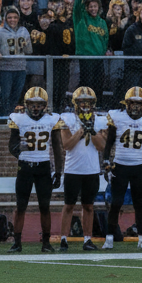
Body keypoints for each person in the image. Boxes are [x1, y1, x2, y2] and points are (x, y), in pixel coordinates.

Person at [8, 86, 64, 253]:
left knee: (45, 206)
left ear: (45, 105)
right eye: (32, 104)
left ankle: (46, 243)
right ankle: (17, 242)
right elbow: (11, 145)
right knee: (21, 206)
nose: (35, 108)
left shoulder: (52, 120)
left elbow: (57, 147)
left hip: (43, 167)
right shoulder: (18, 119)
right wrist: (19, 150)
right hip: (25, 166)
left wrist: (59, 171)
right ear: (26, 104)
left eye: (39, 105)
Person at [102, 87, 142, 250]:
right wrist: (106, 162)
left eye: (139, 104)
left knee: (139, 204)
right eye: (132, 103)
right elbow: (109, 142)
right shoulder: (117, 117)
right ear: (126, 103)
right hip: (120, 165)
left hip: (139, 166)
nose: (135, 107)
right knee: (116, 203)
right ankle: (109, 238)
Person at [57, 86, 107, 252]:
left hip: (91, 169)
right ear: (75, 103)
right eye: (81, 102)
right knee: (69, 205)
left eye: (88, 102)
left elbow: (101, 147)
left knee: (89, 206)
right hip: (73, 169)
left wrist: (91, 129)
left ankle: (87, 239)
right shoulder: (68, 119)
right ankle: (63, 239)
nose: (85, 105)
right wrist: (80, 131)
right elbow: (66, 145)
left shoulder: (100, 120)